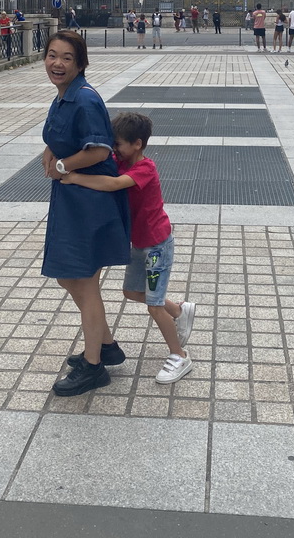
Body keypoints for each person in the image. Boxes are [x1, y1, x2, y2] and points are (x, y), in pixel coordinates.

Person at [59, 112, 196, 384]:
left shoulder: (145, 168)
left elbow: (112, 184)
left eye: (118, 144)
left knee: (154, 306)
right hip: (139, 244)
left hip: (157, 246)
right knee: (132, 292)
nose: (114, 149)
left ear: (137, 144)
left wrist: (74, 177)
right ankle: (179, 311)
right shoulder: (118, 160)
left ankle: (180, 356)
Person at [42, 31, 131, 396]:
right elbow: (60, 135)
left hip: (91, 200)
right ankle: (106, 346)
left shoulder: (85, 99)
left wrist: (62, 166)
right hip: (71, 197)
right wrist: (50, 151)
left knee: (84, 281)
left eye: (66, 57)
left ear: (80, 63)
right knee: (69, 276)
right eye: (51, 55)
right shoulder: (65, 95)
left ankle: (94, 367)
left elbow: (99, 150)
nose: (57, 63)